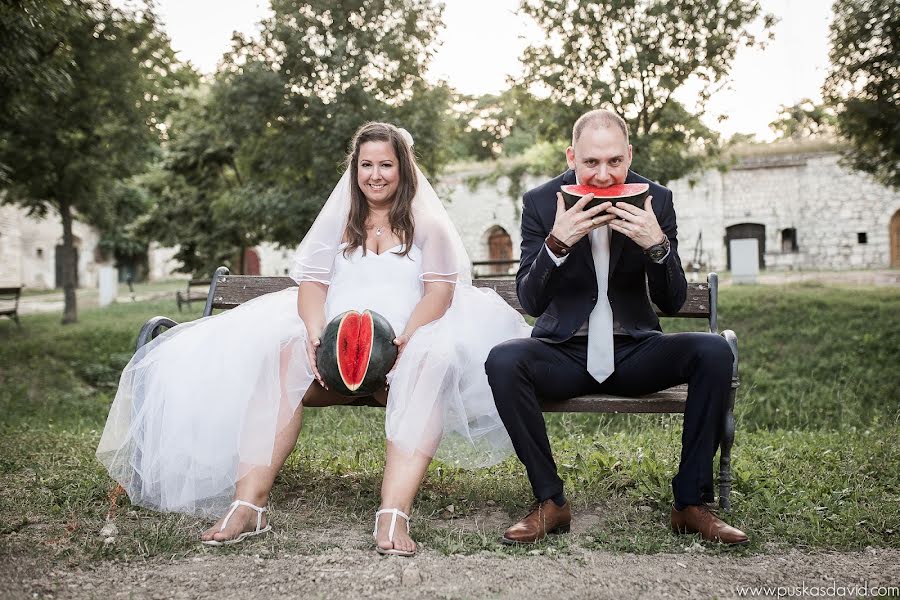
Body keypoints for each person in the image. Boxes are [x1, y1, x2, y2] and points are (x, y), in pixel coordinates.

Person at [97, 122, 531, 556]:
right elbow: (314, 286)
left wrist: (406, 339)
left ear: (403, 168)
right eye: (366, 165)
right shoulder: (340, 222)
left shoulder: (427, 226)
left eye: (386, 164)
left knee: (430, 361)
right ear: (354, 169)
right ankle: (248, 505)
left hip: (407, 333)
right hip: (334, 332)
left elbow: (439, 292)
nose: (375, 175)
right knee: (282, 356)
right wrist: (313, 332)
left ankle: (393, 512)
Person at [485, 109, 748, 546]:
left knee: (715, 351)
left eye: (613, 162)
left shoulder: (656, 200)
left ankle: (690, 503)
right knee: (503, 360)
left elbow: (673, 301)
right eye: (590, 163)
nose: (604, 175)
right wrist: (556, 243)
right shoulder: (540, 202)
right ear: (572, 156)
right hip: (565, 353)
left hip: (634, 352)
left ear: (629, 154)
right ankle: (550, 500)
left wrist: (658, 248)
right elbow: (530, 301)